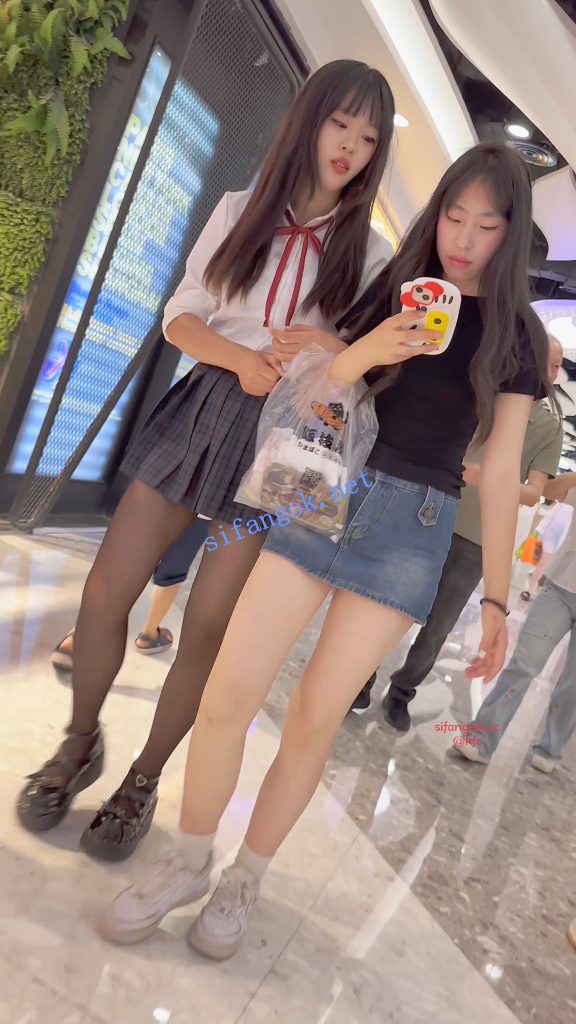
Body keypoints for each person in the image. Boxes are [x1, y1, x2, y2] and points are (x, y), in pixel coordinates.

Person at [102, 142, 554, 958]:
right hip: (319, 487)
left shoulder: (517, 332)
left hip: (413, 524)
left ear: (511, 230)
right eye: (454, 216)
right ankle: (190, 861)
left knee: (314, 717)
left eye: (486, 224)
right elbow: (316, 389)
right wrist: (368, 351)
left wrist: (494, 597)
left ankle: (245, 881)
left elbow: (497, 474)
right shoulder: (396, 283)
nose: (463, 237)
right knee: (228, 693)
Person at [17, 60, 396, 860]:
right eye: (341, 124)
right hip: (207, 404)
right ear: (311, 121)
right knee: (106, 590)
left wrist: (330, 349)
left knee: (209, 627)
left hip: (290, 441)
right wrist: (238, 358)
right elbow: (180, 316)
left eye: (369, 138)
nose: (350, 147)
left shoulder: (368, 254)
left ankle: (142, 780)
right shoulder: (238, 209)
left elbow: (365, 371)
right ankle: (80, 742)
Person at [350, 335, 563, 725]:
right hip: (427, 508)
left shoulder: (548, 428)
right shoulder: (481, 393)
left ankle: (402, 692)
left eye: (556, 366)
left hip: (477, 535)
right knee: (387, 600)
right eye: (543, 361)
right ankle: (360, 679)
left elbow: (535, 492)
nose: (549, 372)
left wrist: (488, 477)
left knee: (438, 625)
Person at [454, 471, 576, 773]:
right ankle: (481, 739)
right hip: (561, 586)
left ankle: (550, 748)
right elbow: (549, 490)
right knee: (524, 663)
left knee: (573, 684)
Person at [49, 519, 209, 669]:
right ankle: (149, 635)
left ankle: (78, 637)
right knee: (172, 573)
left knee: (127, 562)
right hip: (200, 510)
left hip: (160, 501)